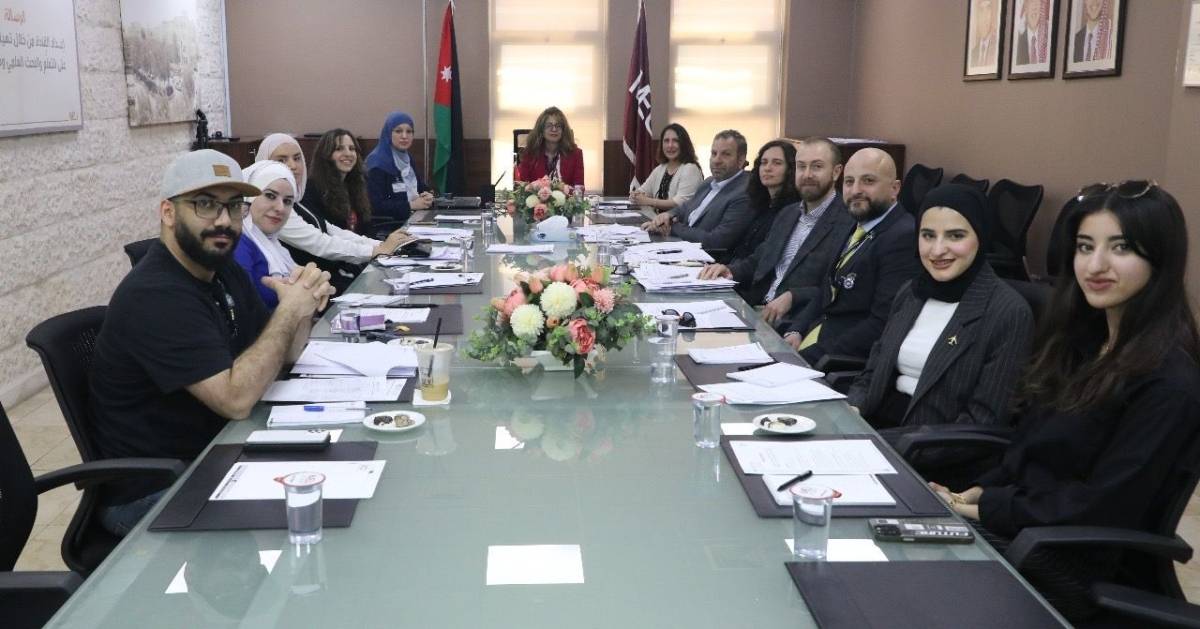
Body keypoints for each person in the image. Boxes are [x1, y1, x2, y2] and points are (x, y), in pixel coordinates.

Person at [931, 182, 1200, 621]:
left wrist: (987, 508)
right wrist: (980, 490)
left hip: (1071, 567)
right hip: (1026, 532)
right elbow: (1029, 448)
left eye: (1120, 248)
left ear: (1161, 258)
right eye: (1085, 246)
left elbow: (1101, 506)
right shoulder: (1083, 345)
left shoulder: (1169, 383)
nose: (1095, 265)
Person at [89, 150, 335, 535]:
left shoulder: (222, 270)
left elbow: (283, 354)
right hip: (158, 491)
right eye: (205, 204)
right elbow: (235, 400)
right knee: (314, 517)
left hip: (218, 456)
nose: (223, 221)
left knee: (331, 488)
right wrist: (288, 314)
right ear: (168, 212)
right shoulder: (157, 295)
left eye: (234, 206)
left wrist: (304, 301)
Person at [848, 184, 1033, 457]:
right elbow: (871, 373)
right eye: (928, 235)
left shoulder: (1008, 312)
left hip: (930, 451)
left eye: (955, 236)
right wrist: (850, 411)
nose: (937, 250)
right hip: (873, 429)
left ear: (981, 236)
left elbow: (982, 423)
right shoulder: (911, 292)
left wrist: (882, 447)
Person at [783, 148, 918, 364]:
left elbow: (881, 324)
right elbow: (827, 289)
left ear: (894, 189)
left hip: (838, 359)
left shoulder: (903, 237)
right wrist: (796, 330)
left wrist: (809, 358)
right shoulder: (857, 222)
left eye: (868, 181)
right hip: (814, 338)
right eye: (849, 182)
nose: (856, 190)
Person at [699, 137, 853, 324]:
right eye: (801, 166)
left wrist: (794, 297)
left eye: (817, 167)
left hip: (795, 321)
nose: (807, 174)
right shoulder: (788, 213)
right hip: (755, 307)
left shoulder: (848, 222)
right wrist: (729, 271)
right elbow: (760, 259)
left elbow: (836, 289)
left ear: (836, 172)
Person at [257, 134, 409, 292]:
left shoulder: (296, 200)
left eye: (296, 158)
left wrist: (382, 245)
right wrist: (375, 250)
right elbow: (320, 243)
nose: (293, 166)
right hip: (319, 280)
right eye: (281, 160)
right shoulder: (276, 208)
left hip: (323, 279)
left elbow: (332, 230)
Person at [640, 129, 752, 263]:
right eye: (714, 153)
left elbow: (716, 241)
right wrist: (667, 216)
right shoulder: (709, 182)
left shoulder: (744, 192)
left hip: (706, 263)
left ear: (741, 160)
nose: (717, 160)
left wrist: (671, 227)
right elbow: (685, 207)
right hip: (680, 248)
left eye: (726, 154)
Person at [233, 161, 299, 310]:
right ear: (248, 198)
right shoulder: (238, 245)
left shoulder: (274, 245)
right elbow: (245, 312)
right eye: (270, 195)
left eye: (287, 201)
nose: (280, 208)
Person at [729, 140, 800, 263]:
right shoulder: (760, 204)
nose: (767, 168)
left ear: (790, 169)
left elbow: (764, 257)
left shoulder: (792, 209)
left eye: (777, 163)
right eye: (764, 162)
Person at [365, 111, 435, 224]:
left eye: (409, 131)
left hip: (415, 219)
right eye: (398, 131)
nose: (404, 136)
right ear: (388, 133)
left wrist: (428, 195)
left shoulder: (408, 159)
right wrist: (411, 205)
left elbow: (421, 188)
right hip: (390, 226)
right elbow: (375, 206)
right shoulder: (377, 163)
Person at [302, 129, 373, 235]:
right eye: (339, 149)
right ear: (326, 154)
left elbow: (366, 229)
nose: (348, 154)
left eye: (352, 149)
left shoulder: (356, 185)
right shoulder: (312, 189)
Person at [629, 123, 703, 213]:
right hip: (656, 220)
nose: (670, 145)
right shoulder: (660, 169)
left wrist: (648, 201)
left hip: (679, 221)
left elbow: (679, 203)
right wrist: (635, 195)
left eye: (675, 141)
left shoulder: (690, 169)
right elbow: (643, 191)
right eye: (666, 141)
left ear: (684, 144)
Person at [515, 106, 584, 187]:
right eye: (549, 125)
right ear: (541, 130)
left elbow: (579, 187)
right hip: (535, 196)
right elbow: (523, 187)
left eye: (558, 126)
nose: (554, 129)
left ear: (563, 130)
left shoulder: (576, 154)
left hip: (566, 195)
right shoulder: (529, 154)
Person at [1015, 0, 1048, 66]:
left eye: (1038, 2)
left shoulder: (1048, 37)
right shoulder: (1017, 42)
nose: (1035, 7)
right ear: (1026, 8)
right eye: (1032, 2)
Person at [970, 0, 999, 68]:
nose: (984, 18)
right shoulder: (972, 53)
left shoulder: (996, 49)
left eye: (988, 9)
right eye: (981, 10)